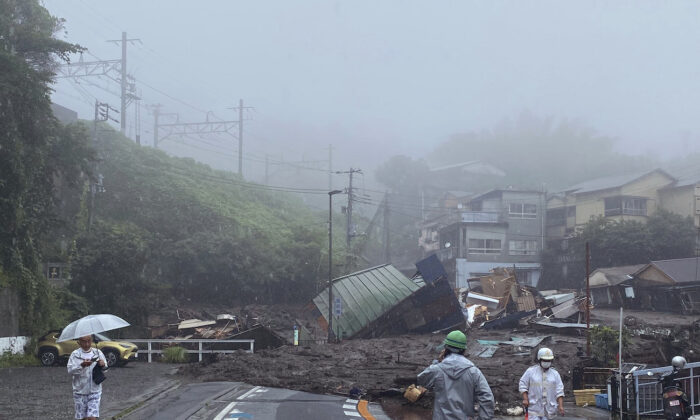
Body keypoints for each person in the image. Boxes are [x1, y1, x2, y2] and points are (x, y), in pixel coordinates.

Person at [417, 330, 495, 420]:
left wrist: (437, 362)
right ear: (464, 350)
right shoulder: (474, 372)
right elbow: (487, 398)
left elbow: (421, 381)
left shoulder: (437, 369)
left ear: (445, 348)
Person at [67, 335, 107, 420]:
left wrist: (102, 365)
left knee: (92, 417)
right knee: (82, 417)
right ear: (79, 342)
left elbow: (105, 369)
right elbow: (70, 370)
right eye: (84, 341)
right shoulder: (75, 354)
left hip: (95, 390)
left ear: (92, 340)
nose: (87, 344)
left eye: (89, 341)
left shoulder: (98, 353)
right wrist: (82, 365)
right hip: (80, 391)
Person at [519, 347, 565, 420]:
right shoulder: (531, 371)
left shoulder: (555, 374)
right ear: (539, 359)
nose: (547, 362)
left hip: (549, 410)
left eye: (549, 360)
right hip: (533, 408)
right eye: (545, 360)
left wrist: (561, 406)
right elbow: (523, 384)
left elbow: (559, 390)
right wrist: (525, 399)